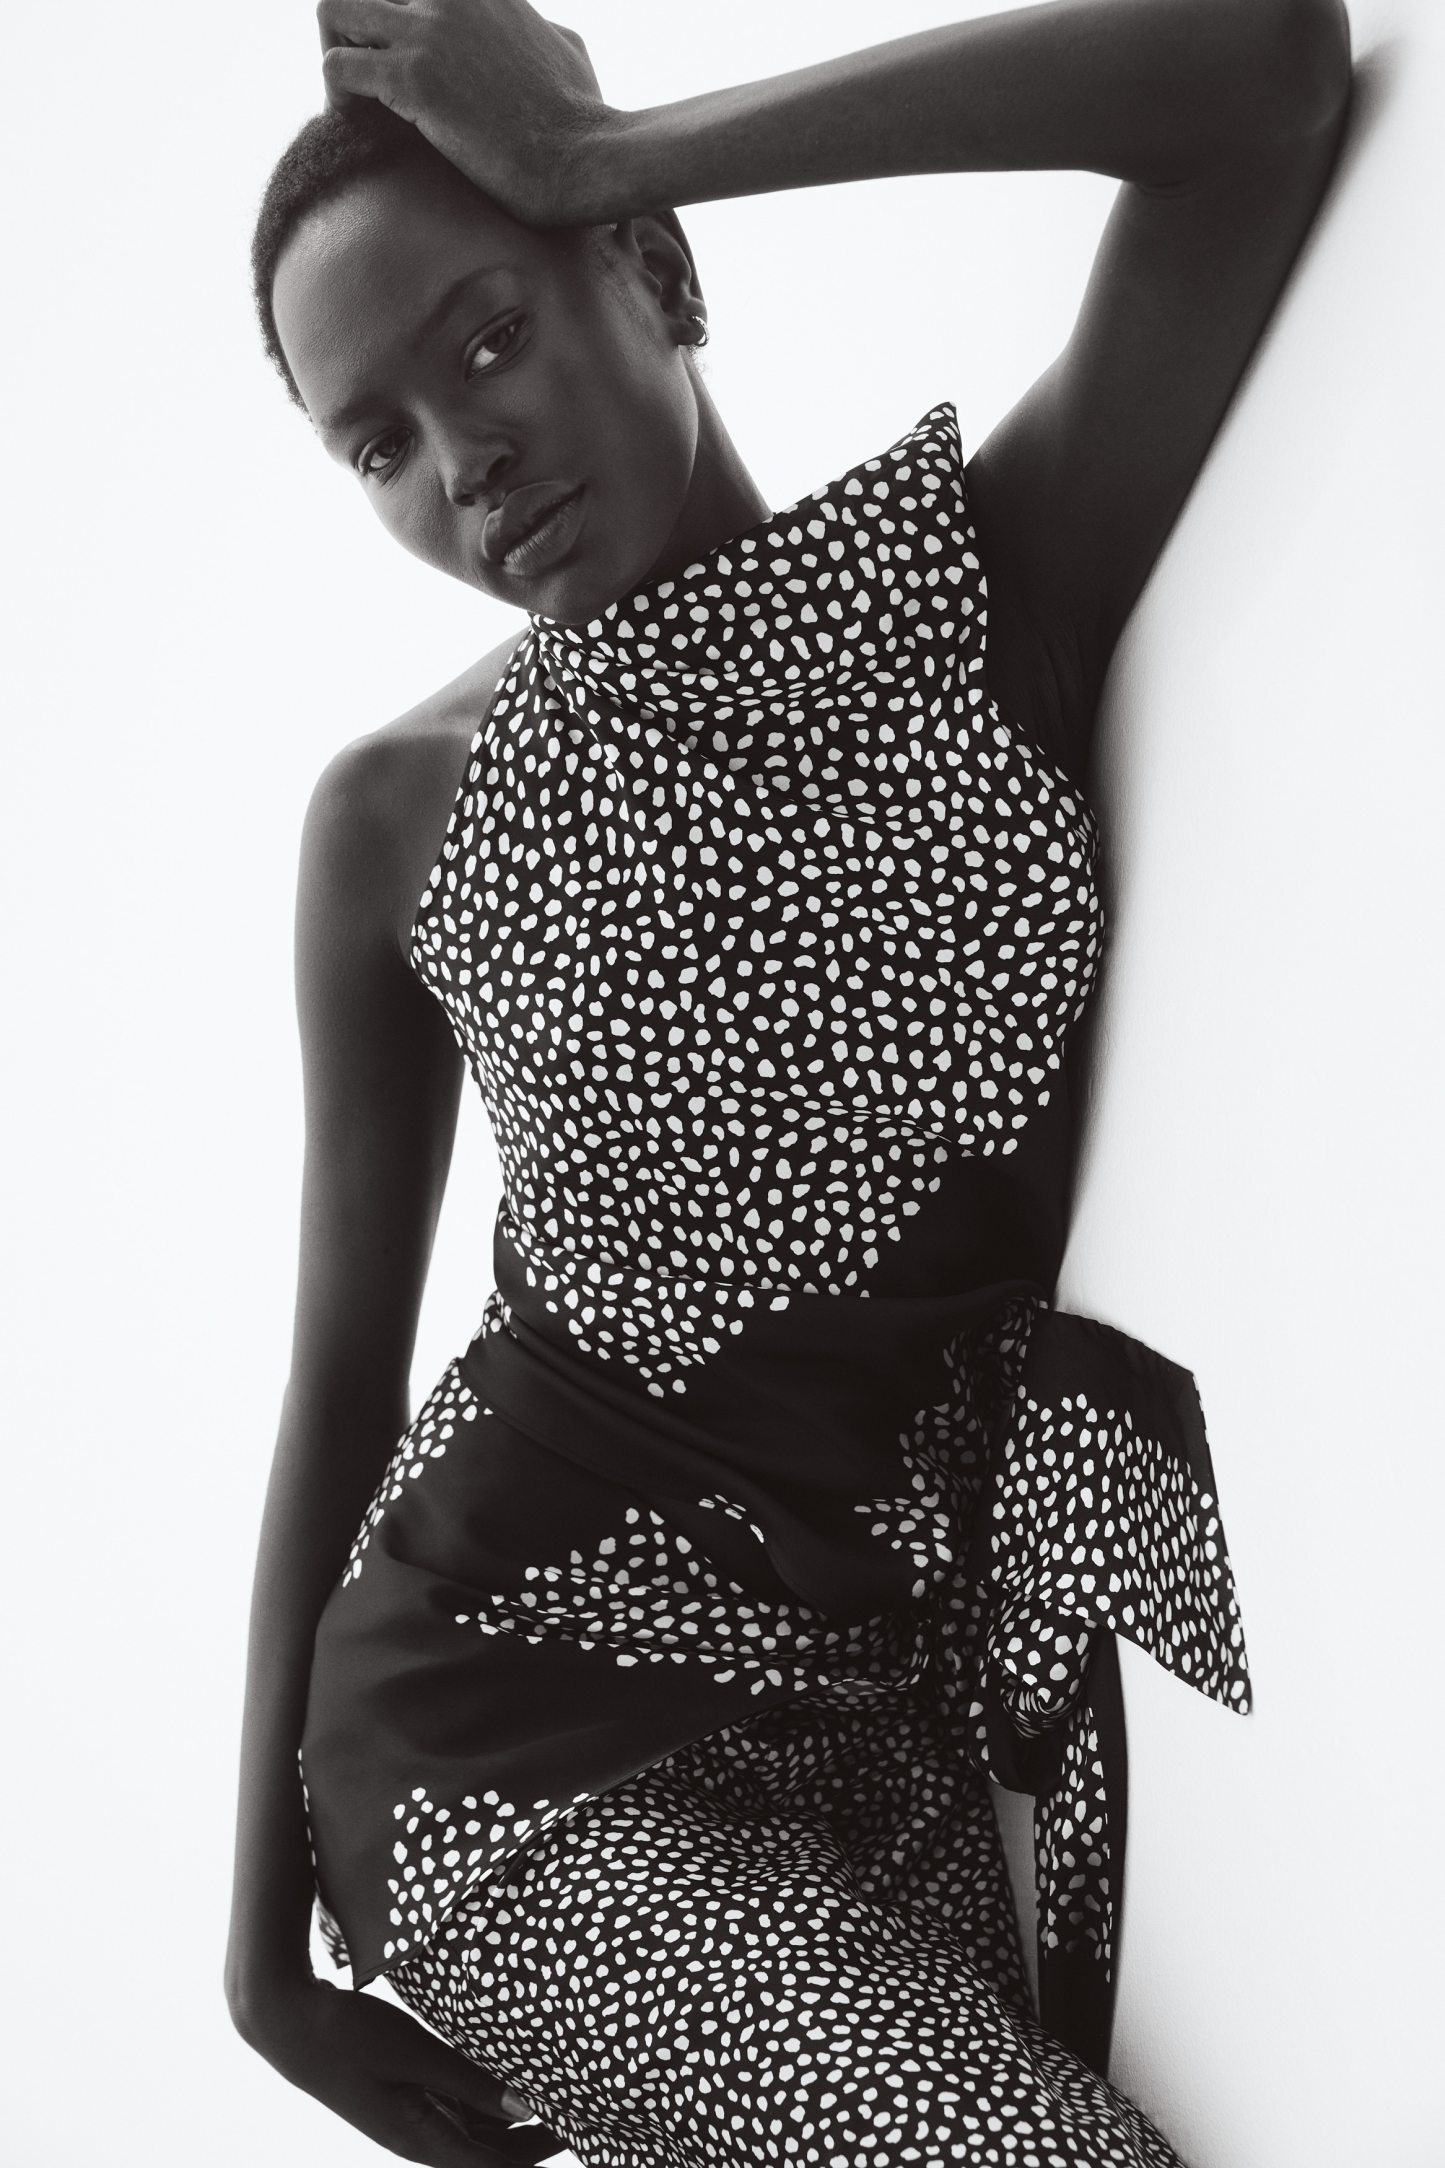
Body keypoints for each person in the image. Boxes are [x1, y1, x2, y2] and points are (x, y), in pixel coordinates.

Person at [224, 3, 1352, 2163]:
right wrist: (261, 1952)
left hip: (880, 1705)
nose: (460, 464)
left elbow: (1264, 74)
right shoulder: (393, 821)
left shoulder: (986, 591)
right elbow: (337, 1384)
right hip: (506, 1736)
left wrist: (609, 144)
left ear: (652, 273)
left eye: (487, 340)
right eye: (376, 445)